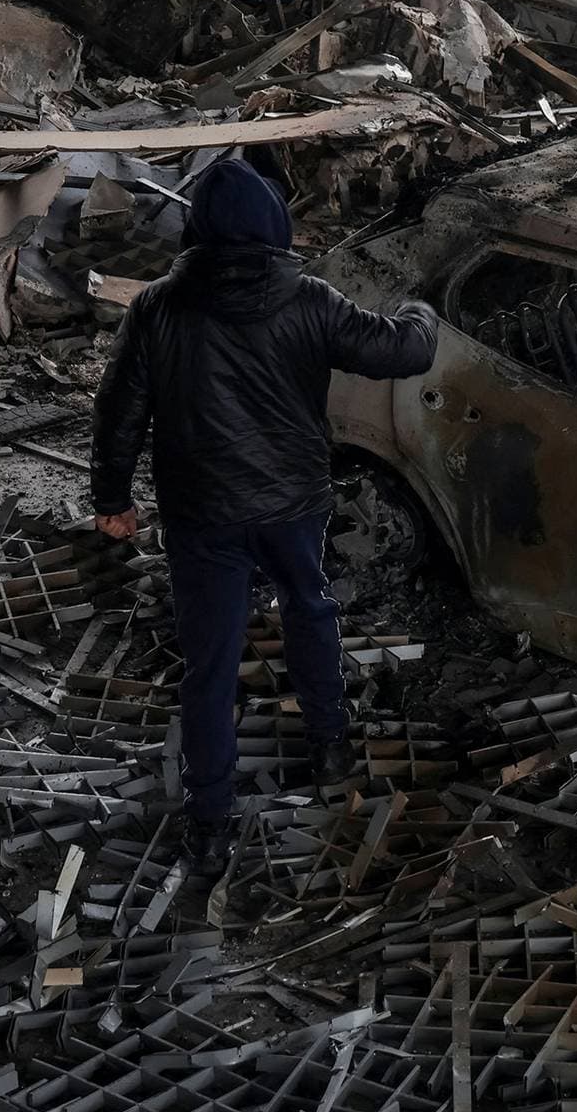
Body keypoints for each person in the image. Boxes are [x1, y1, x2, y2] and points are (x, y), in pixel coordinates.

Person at [89, 158, 439, 877]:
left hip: (202, 514)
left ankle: (211, 826)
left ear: (200, 229)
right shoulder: (310, 300)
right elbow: (402, 350)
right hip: (291, 504)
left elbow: (119, 412)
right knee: (310, 609)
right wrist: (422, 307)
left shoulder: (157, 306)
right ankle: (330, 742)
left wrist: (111, 500)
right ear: (274, 225)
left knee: (210, 667)